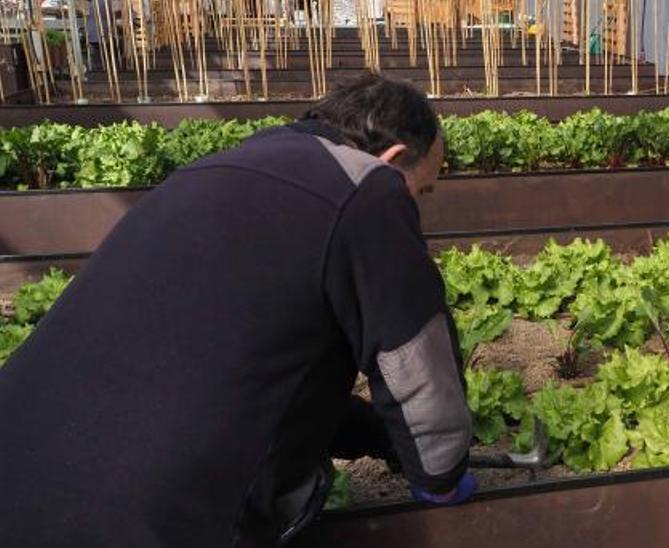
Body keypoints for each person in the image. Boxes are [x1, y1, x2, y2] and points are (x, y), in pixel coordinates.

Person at [0, 73, 475, 547]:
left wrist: (378, 437)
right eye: (423, 191)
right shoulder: (370, 187)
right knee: (296, 490)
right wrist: (441, 474)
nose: (418, 208)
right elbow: (415, 360)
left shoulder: (211, 172)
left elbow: (250, 375)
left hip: (18, 473)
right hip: (147, 524)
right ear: (391, 161)